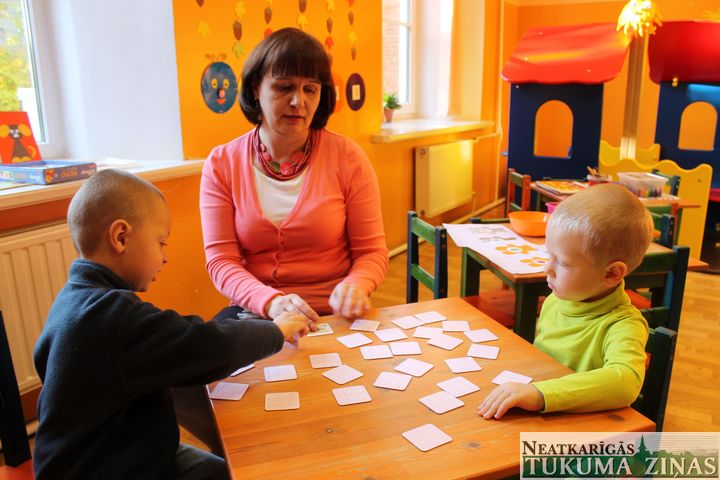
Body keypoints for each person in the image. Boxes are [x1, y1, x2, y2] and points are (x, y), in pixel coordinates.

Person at [33, 169, 309, 479]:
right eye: (161, 243)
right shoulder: (114, 317)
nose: (165, 257)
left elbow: (41, 358)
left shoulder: (73, 298)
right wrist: (276, 329)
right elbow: (211, 346)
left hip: (121, 453)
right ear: (120, 237)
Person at [200, 27, 388, 326]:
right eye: (283, 87)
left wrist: (357, 284)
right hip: (257, 311)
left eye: (310, 89)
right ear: (254, 90)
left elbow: (372, 252)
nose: (298, 101)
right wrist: (271, 302)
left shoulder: (348, 158)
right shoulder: (222, 164)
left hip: (333, 312)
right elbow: (221, 261)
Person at [478, 183, 654, 419]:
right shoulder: (558, 299)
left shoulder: (624, 325)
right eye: (548, 255)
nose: (546, 268)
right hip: (539, 414)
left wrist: (541, 394)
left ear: (611, 274)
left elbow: (625, 383)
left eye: (562, 262)